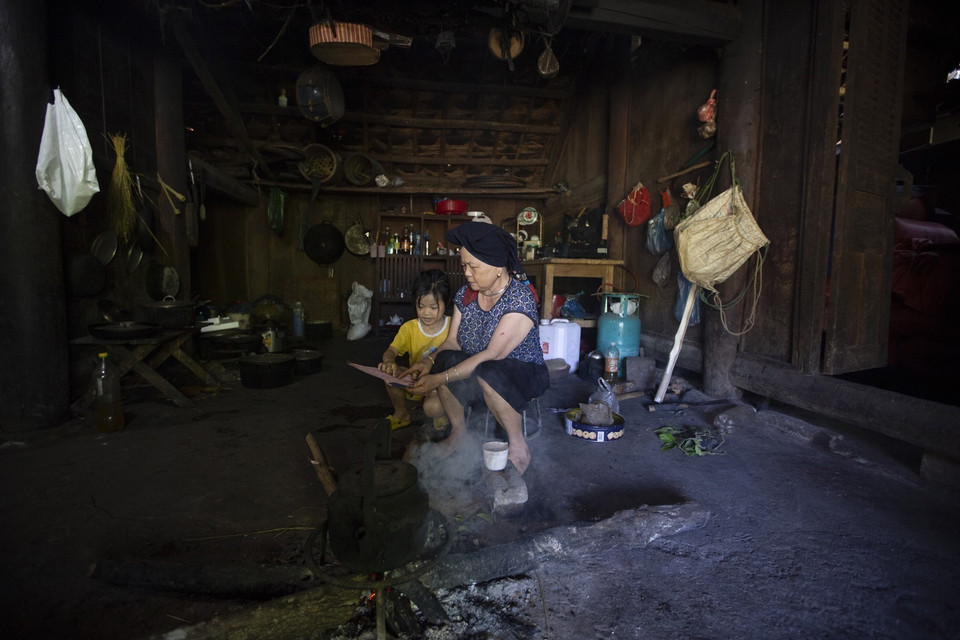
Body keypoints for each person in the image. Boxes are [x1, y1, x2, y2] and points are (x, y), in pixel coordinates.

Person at [402, 223, 549, 475]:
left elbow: (493, 354)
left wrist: (438, 379)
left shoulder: (520, 298)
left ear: (498, 267)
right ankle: (458, 434)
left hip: (521, 373)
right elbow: (452, 342)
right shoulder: (465, 295)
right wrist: (428, 362)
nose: (467, 273)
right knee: (446, 358)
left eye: (474, 267)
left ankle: (518, 446)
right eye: (464, 266)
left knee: (489, 370)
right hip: (478, 369)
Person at [377, 270, 451, 430]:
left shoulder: (452, 327)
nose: (426, 312)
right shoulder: (409, 328)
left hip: (439, 387)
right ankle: (401, 415)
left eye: (433, 307)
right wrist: (389, 361)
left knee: (432, 408)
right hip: (414, 382)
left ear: (446, 303)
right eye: (421, 306)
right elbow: (391, 350)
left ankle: (444, 413)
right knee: (389, 375)